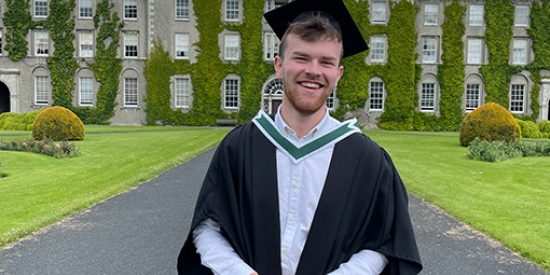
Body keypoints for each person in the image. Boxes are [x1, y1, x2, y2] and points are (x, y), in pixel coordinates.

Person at [177, 0, 422, 274]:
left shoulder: (367, 160)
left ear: (338, 74)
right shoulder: (239, 147)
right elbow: (207, 227)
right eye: (301, 58)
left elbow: (384, 241)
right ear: (279, 65)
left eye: (326, 62)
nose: (314, 71)